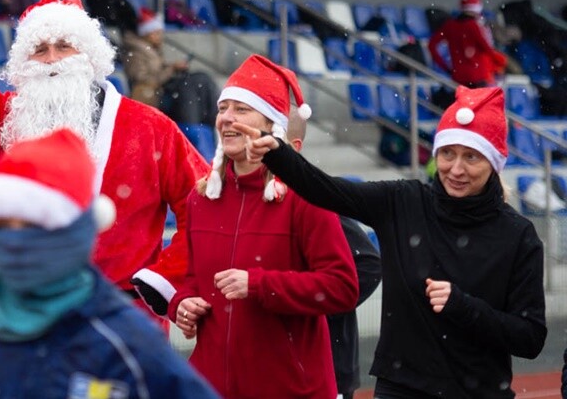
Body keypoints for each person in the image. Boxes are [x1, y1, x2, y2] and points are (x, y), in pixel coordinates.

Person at [0, 0, 209, 318]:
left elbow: (204, 205)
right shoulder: (8, 118)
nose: (50, 59)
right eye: (40, 49)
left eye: (64, 46)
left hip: (125, 317)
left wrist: (163, 280)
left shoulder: (152, 128)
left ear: (90, 57)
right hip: (31, 317)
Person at [240, 85, 547, 398]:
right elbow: (326, 190)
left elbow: (530, 338)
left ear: (494, 165)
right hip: (400, 387)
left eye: (472, 157)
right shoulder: (403, 201)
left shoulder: (517, 234)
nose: (456, 169)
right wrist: (277, 154)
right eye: (447, 154)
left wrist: (463, 307)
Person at [0, 128, 221, 399]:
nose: (15, 241)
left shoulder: (128, 344)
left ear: (76, 231)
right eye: (1, 227)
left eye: (33, 226)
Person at [169, 54, 358, 398]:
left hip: (288, 388)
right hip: (211, 386)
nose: (226, 118)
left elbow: (342, 287)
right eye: (223, 108)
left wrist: (260, 284)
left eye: (241, 109)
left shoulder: (306, 197)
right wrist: (182, 305)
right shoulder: (201, 198)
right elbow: (193, 279)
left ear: (272, 127)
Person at [286, 106, 382, 399]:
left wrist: (318, 303)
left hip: (329, 369)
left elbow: (368, 264)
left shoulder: (315, 198)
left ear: (293, 146)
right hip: (282, 368)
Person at [122, 7, 219, 125]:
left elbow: (158, 70)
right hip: (154, 98)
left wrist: (173, 68)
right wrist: (171, 69)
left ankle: (210, 124)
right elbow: (143, 81)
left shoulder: (152, 49)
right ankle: (192, 130)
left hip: (164, 91)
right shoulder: (135, 53)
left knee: (202, 78)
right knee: (188, 87)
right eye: (156, 33)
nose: (160, 36)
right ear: (146, 33)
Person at [428, 0, 507, 89]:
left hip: (458, 78)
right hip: (478, 78)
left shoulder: (450, 26)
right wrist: (501, 61)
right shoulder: (474, 26)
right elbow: (487, 48)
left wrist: (445, 67)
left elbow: (432, 45)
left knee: (463, 105)